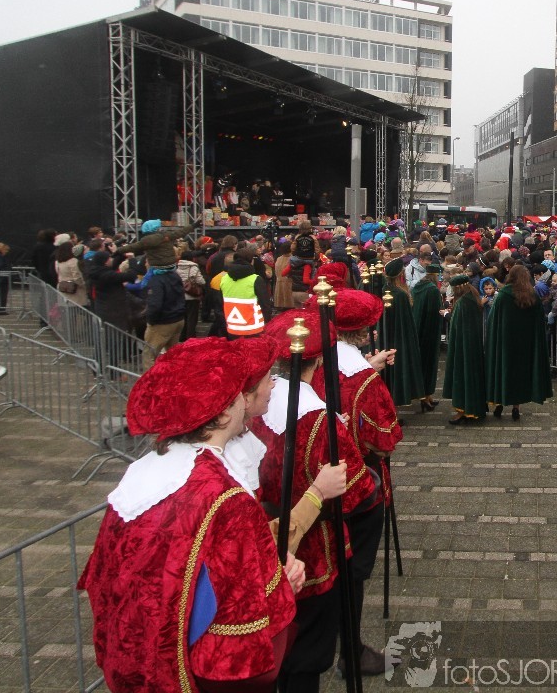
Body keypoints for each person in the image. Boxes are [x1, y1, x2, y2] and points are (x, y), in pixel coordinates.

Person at [78, 337, 343, 693]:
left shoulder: (138, 475)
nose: (248, 397)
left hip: (134, 666)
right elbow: (241, 636)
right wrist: (283, 584)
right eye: (239, 393)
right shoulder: (224, 497)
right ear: (222, 413)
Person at [253, 310, 378, 692]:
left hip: (262, 539)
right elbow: (358, 492)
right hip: (313, 552)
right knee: (306, 654)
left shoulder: (254, 409)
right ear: (320, 359)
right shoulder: (317, 419)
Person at [485, 263, 552, 420]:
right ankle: (516, 407)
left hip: (505, 343)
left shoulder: (503, 296)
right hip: (525, 344)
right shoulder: (532, 296)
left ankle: (500, 404)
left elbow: (493, 320)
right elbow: (539, 322)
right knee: (520, 375)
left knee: (504, 372)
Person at [382, 257, 428, 412]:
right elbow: (406, 319)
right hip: (400, 338)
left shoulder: (385, 290)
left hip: (387, 336)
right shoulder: (400, 294)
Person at [444, 275, 488, 424]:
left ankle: (464, 410)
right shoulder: (473, 298)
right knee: (473, 376)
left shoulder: (463, 303)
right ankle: (474, 408)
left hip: (463, 347)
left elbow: (457, 324)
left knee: (464, 377)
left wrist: (447, 315)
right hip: (473, 345)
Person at [211, 244, 273, 339]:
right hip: (254, 329)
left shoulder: (224, 279)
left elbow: (220, 305)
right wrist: (267, 322)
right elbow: (265, 305)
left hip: (232, 328)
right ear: (251, 261)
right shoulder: (256, 279)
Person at [411, 262, 444, 411]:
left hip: (418, 329)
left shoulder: (418, 287)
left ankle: (426, 395)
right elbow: (434, 312)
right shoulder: (432, 290)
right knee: (429, 365)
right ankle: (425, 396)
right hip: (430, 332)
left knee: (422, 363)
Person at [142, 265, 186, 368]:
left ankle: (150, 378)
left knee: (149, 355)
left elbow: (155, 305)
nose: (145, 264)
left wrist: (151, 320)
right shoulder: (174, 275)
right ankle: (174, 375)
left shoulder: (156, 280)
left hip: (162, 322)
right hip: (177, 318)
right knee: (173, 354)